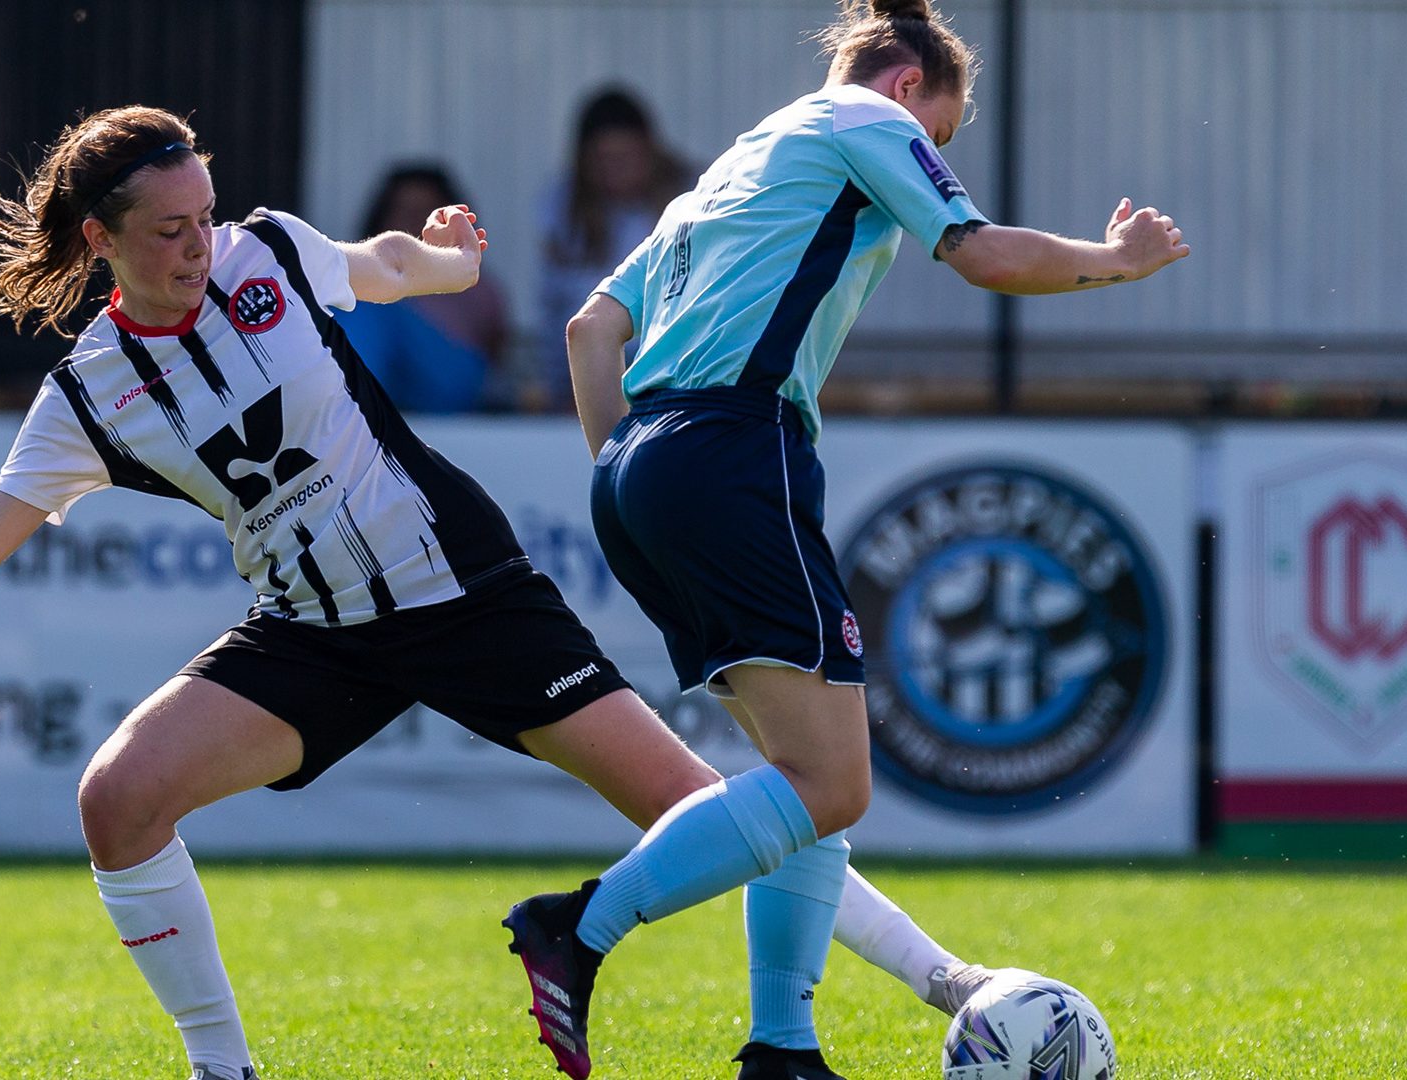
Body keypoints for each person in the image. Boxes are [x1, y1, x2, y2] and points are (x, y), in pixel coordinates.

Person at [0, 105, 1011, 1080]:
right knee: (116, 799)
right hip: (313, 635)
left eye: (204, 217)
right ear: (101, 238)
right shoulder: (90, 395)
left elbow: (395, 272)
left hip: (469, 593)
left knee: (703, 810)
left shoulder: (264, 255)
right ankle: (223, 1072)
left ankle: (950, 986)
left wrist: (446, 255)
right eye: (168, 231)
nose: (199, 245)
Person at [505, 1, 1190, 1078]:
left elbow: (591, 328)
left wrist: (629, 473)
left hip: (639, 464)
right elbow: (984, 256)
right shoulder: (863, 121)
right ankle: (579, 929)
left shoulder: (726, 172)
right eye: (942, 138)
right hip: (737, 449)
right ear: (909, 84)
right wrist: (1119, 258)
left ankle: (783, 1047)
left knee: (800, 778)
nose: (931, 159)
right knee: (831, 784)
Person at [534, 87, 690, 410]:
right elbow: (554, 306)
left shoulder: (692, 197)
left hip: (675, 377)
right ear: (583, 160)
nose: (615, 170)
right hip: (587, 374)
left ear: (651, 152)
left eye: (626, 158)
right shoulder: (562, 207)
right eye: (603, 160)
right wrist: (558, 388)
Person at [335, 164, 513, 412]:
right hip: (383, 387)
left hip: (452, 394)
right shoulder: (356, 279)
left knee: (366, 307)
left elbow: (495, 355)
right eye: (403, 210)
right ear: (381, 219)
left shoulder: (480, 284)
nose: (414, 221)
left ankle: (341, 413)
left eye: (425, 211)